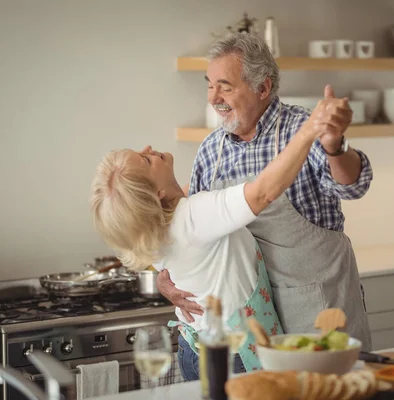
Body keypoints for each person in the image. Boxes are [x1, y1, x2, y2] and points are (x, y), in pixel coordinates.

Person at [89, 97, 338, 380]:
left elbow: (185, 200)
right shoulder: (194, 216)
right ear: (155, 194)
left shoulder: (155, 229)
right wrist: (308, 131)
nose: (148, 148)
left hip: (194, 349)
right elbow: (261, 193)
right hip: (234, 356)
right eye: (145, 160)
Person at [157, 32, 374, 350]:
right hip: (253, 323)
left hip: (317, 314)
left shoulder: (303, 129)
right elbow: (194, 232)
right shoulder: (211, 150)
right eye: (210, 85)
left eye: (225, 87)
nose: (213, 97)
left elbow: (352, 185)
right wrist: (165, 277)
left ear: (263, 88)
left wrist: (335, 146)